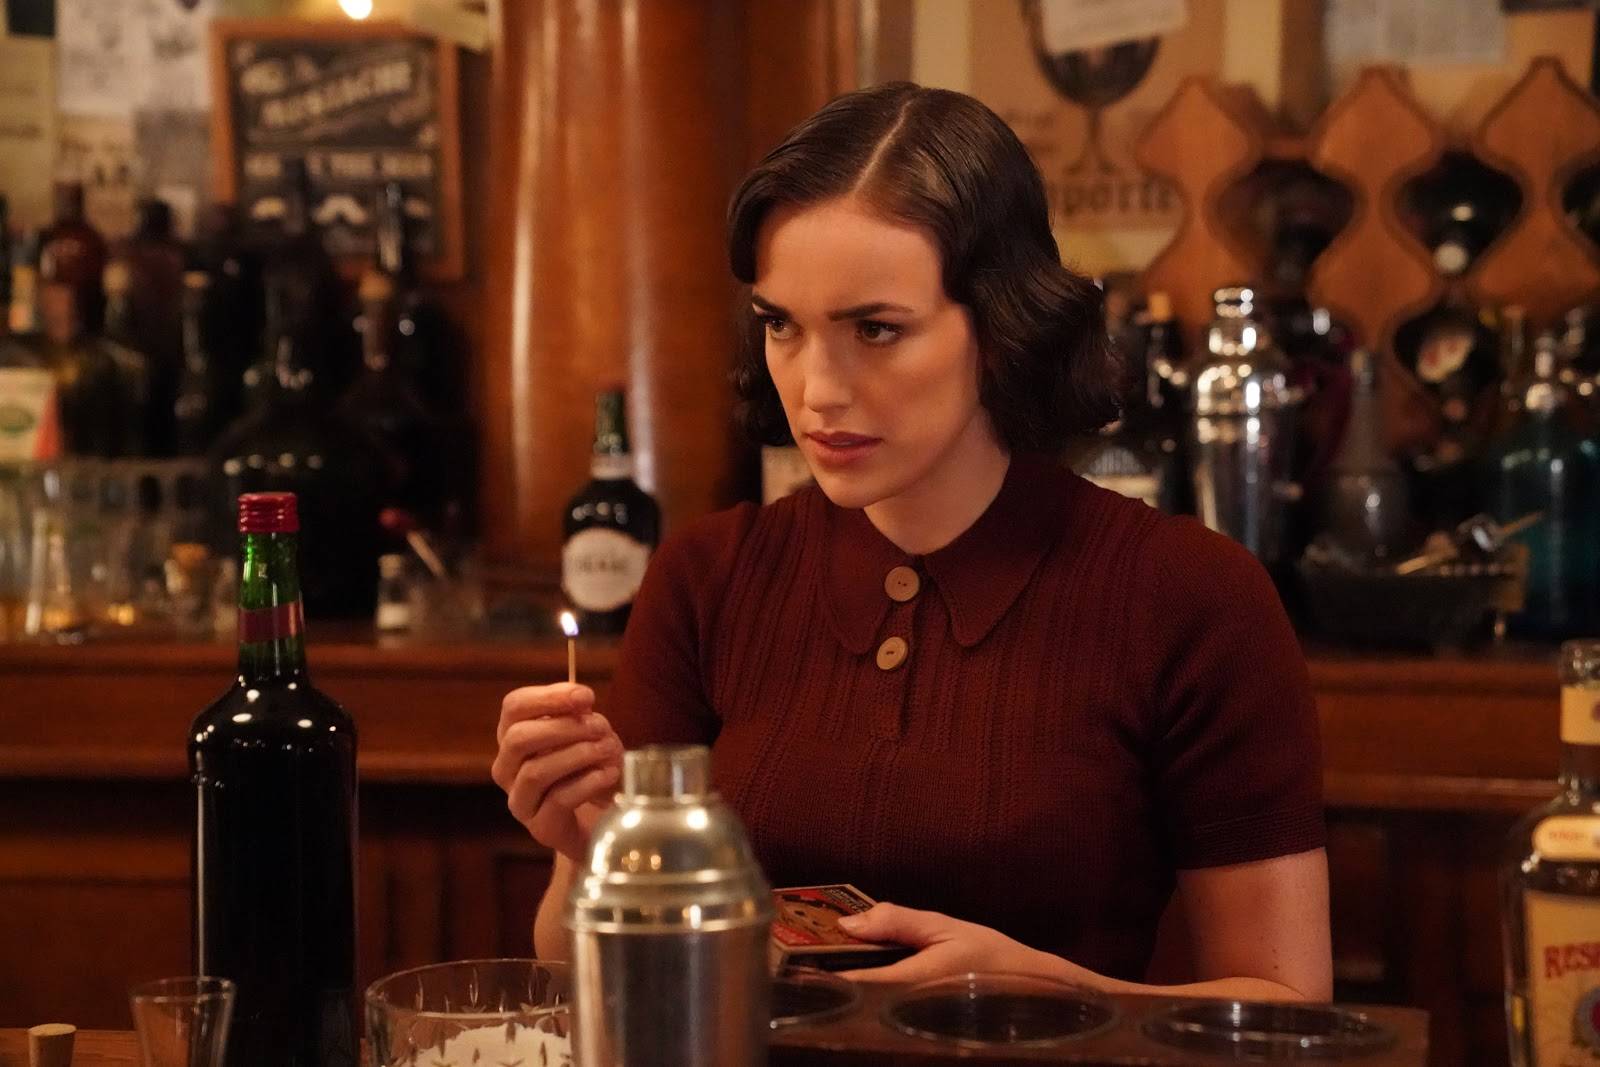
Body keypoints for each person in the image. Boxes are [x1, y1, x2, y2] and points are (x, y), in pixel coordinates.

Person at [492, 81, 1331, 1000]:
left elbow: (1288, 1014)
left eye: (876, 330)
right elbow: (576, 973)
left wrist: (1048, 995)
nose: (817, 389)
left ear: (1004, 325)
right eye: (782, 326)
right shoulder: (709, 576)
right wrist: (590, 860)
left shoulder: (1190, 595)